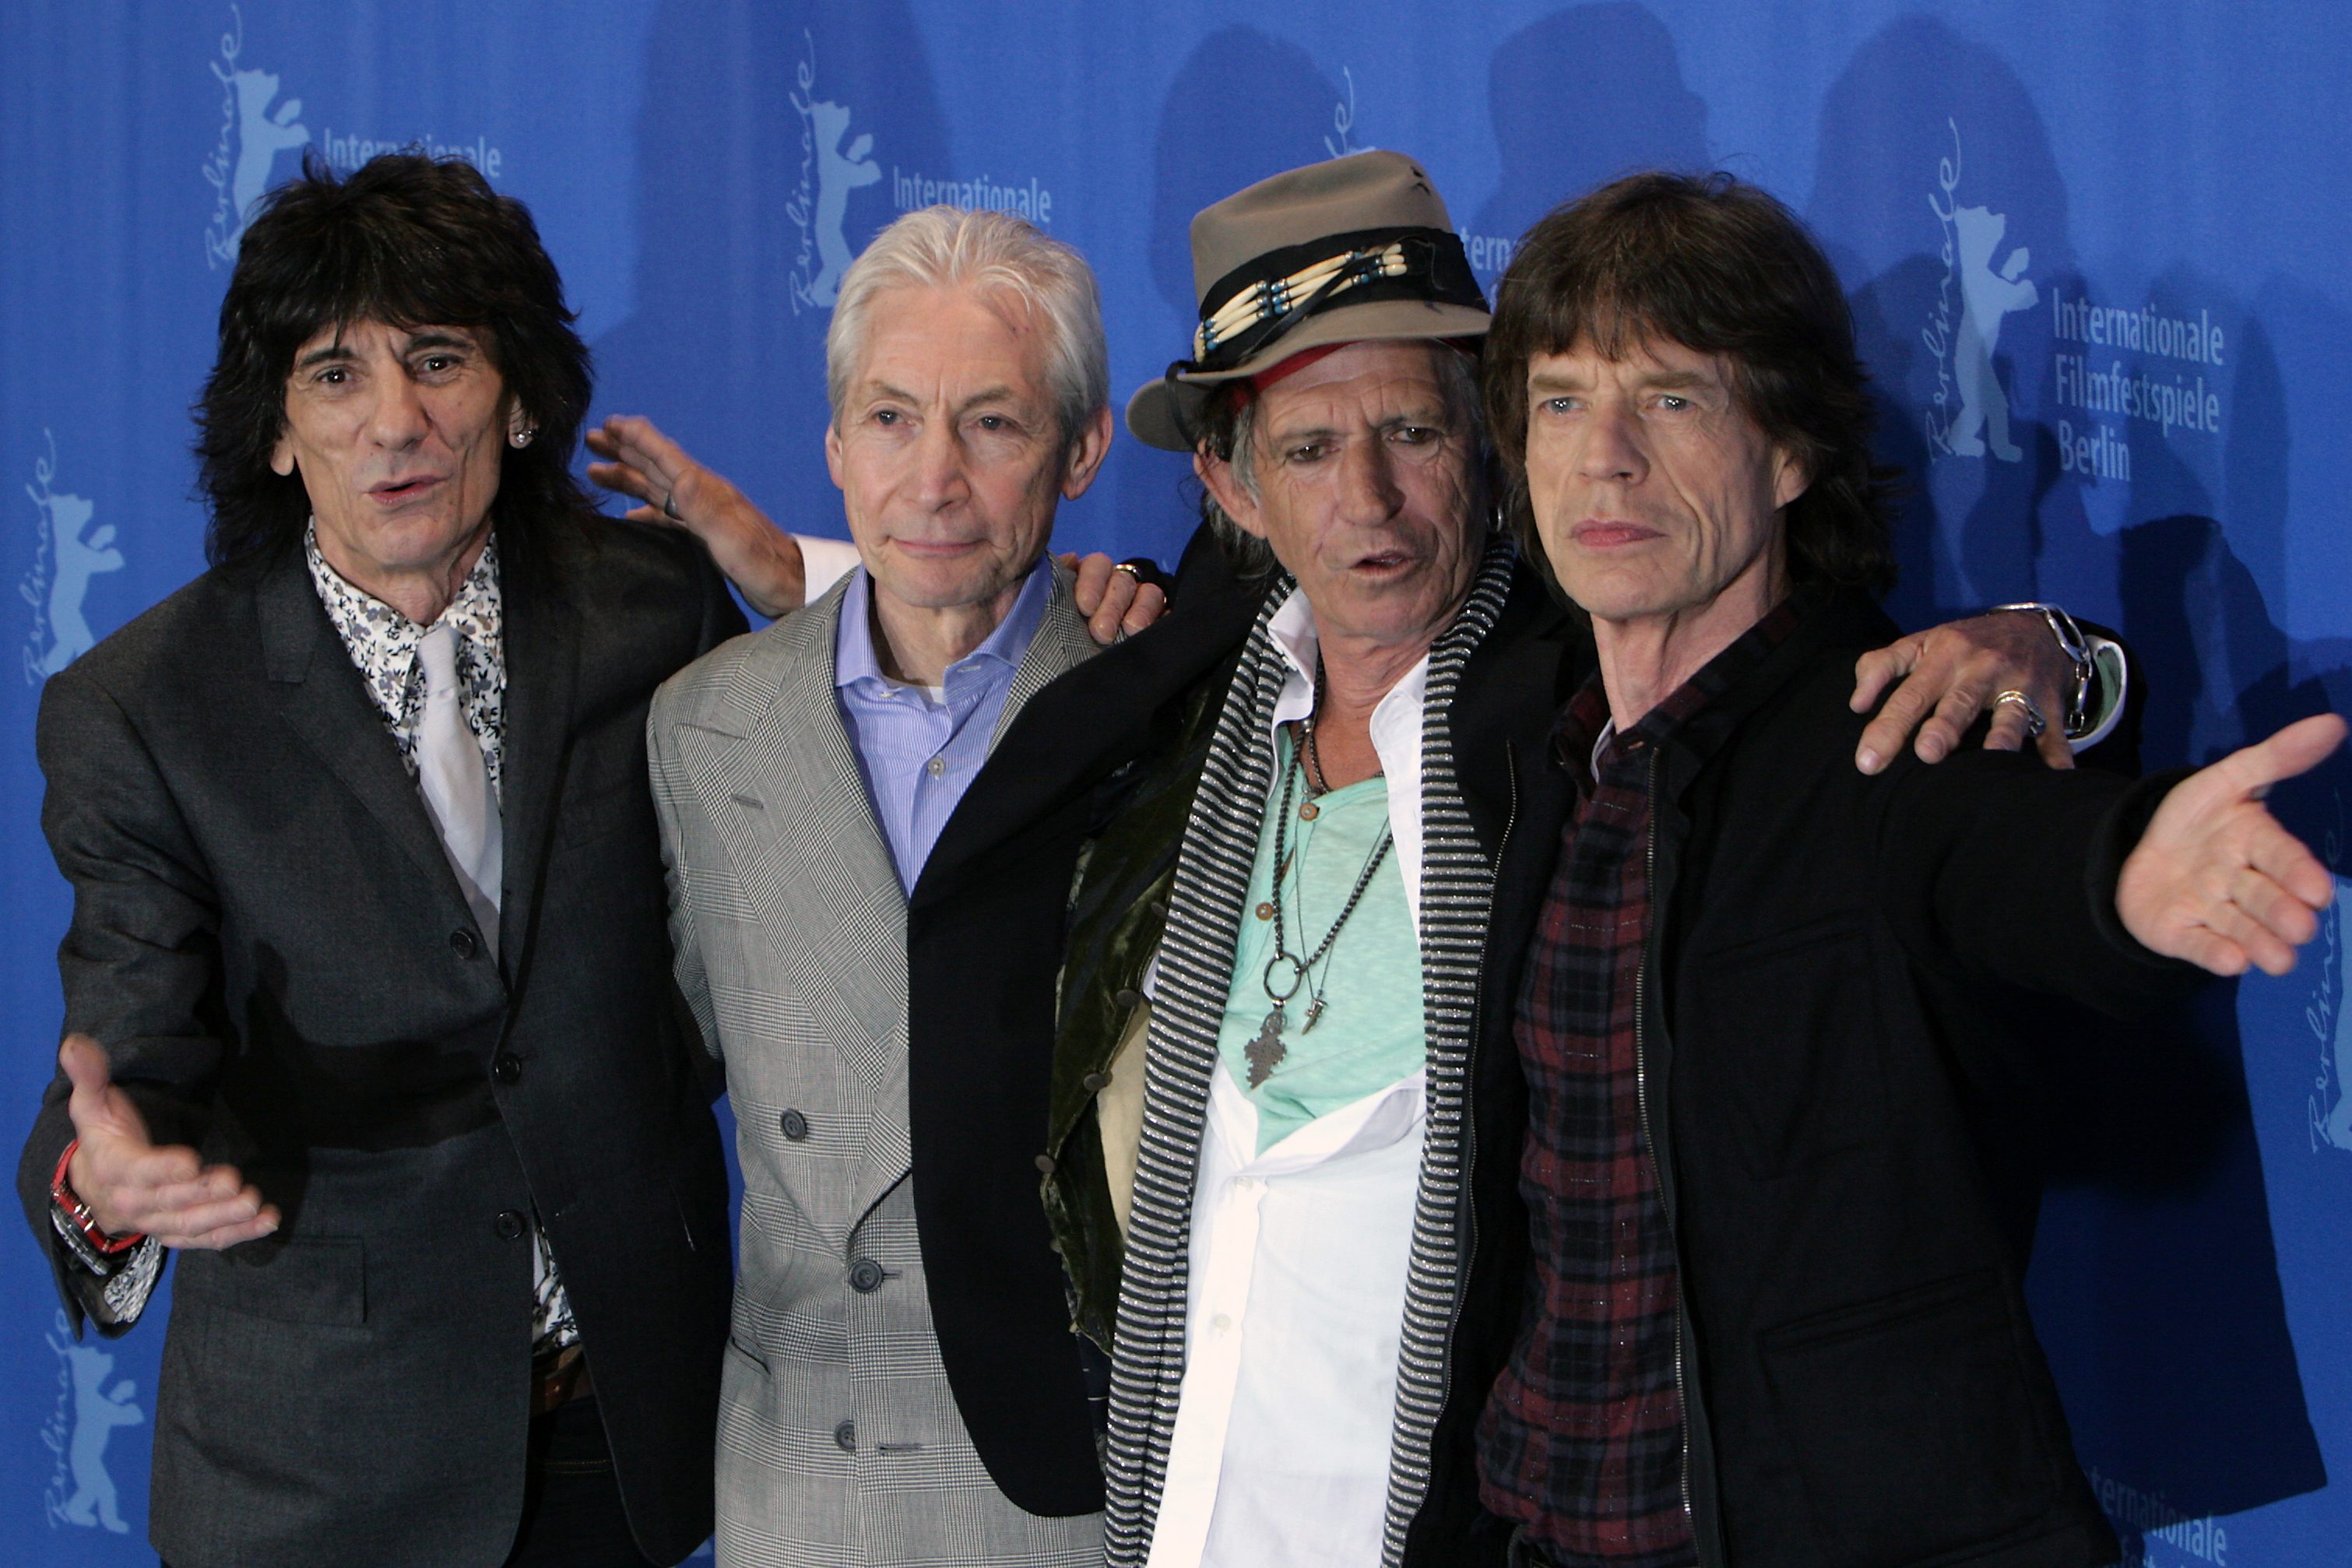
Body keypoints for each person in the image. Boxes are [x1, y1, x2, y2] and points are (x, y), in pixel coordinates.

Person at [902, 150, 2122, 1568]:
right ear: (1230, 489)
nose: (1368, 500)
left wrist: (2059, 653)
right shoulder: (1151, 727)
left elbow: (1848, 702)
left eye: (1413, 434)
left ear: (1483, 443)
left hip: (1501, 1502)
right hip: (1196, 1505)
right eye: (1304, 451)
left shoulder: (1598, 705)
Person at [15, 154, 1155, 1568]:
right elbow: (129, 1048)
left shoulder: (651, 610)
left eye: (438, 359)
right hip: (322, 1471)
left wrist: (1107, 616)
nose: (396, 424)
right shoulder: (147, 704)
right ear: (273, 430)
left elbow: (893, 672)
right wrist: (100, 1185)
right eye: (333, 376)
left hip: (627, 1442)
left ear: (523, 395)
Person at [1469, 171, 2340, 1568]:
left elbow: (2012, 857)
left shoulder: (1892, 741)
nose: (1605, 456)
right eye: (1562, 400)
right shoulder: (1528, 742)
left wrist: (2126, 875)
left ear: (1793, 450)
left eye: (1675, 397)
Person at [646, 205, 1123, 1567]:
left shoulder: (1158, 707)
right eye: (891, 418)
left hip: (1075, 1484)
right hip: (808, 1464)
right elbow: (644, 1085)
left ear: (1082, 450)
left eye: (993, 423)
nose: (934, 482)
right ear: (835, 448)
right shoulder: (700, 725)